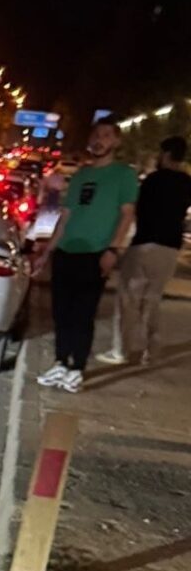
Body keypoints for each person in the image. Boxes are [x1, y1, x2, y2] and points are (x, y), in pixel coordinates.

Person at [35, 119, 138, 392]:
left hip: (95, 254)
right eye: (95, 135)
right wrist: (48, 251)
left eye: (106, 135)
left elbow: (127, 215)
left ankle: (76, 368)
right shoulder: (81, 175)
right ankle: (60, 362)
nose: (99, 140)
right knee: (61, 313)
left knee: (83, 314)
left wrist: (113, 249)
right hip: (67, 251)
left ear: (116, 141)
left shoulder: (123, 175)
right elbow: (65, 216)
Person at [98, 135, 191, 366]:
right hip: (170, 249)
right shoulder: (187, 182)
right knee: (153, 300)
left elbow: (137, 212)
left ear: (166, 154)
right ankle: (152, 350)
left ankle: (120, 350)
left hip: (145, 245)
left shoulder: (153, 180)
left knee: (128, 299)